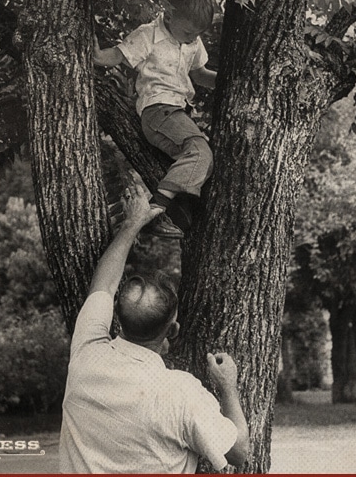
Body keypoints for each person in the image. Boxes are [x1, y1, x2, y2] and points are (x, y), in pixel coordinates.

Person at [59, 185, 250, 474]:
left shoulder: (86, 355)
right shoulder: (180, 392)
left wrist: (132, 223)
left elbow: (103, 286)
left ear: (117, 320)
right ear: (172, 331)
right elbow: (238, 452)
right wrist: (228, 387)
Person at [94, 0, 217, 239]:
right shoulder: (148, 34)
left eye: (197, 34)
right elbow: (117, 55)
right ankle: (158, 210)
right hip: (158, 110)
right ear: (170, 15)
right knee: (199, 151)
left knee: (200, 162)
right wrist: (96, 55)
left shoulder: (192, 42)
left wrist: (230, 80)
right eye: (188, 33)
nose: (193, 38)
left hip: (178, 113)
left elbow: (200, 73)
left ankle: (179, 213)